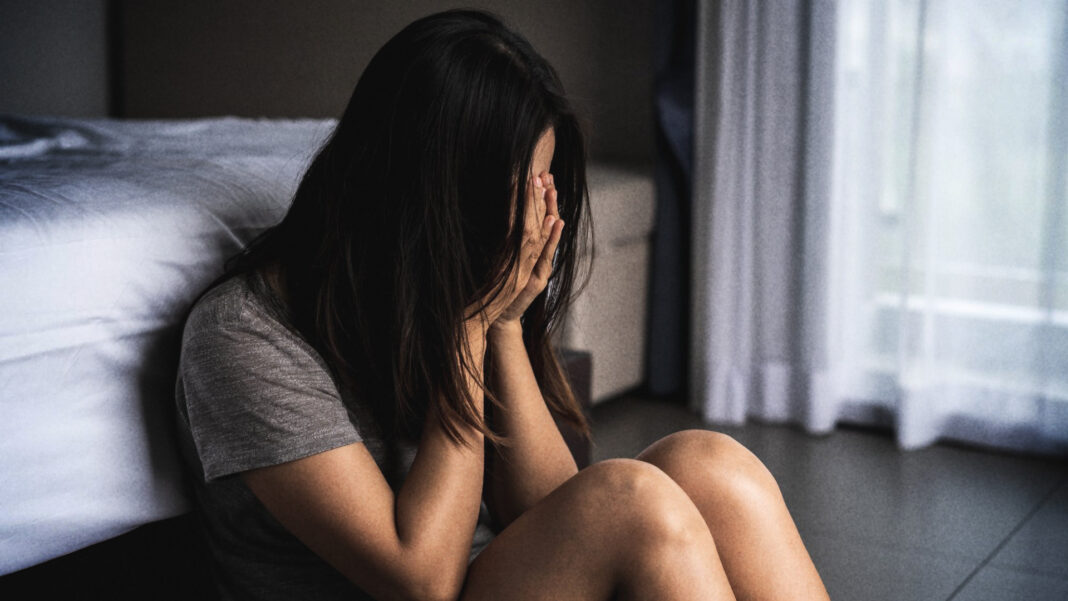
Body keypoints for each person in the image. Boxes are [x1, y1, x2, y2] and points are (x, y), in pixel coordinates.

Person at [174, 9, 830, 601]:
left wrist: (506, 323)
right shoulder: (243, 336)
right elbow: (421, 578)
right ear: (437, 194)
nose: (535, 222)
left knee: (706, 465)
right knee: (633, 500)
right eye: (524, 192)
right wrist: (466, 328)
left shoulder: (432, 286)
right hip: (422, 581)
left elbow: (550, 507)